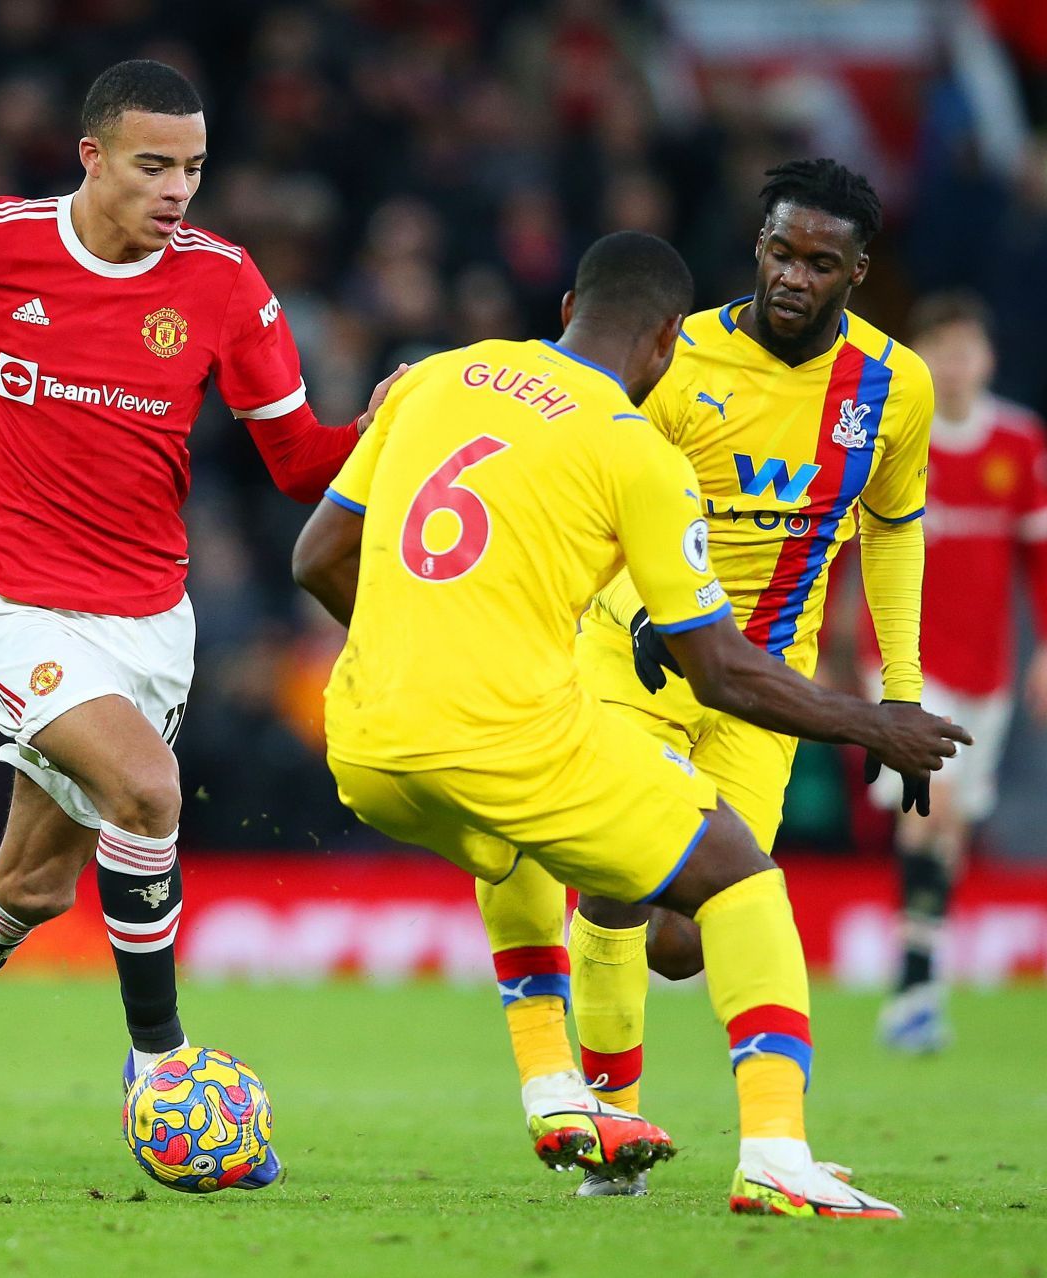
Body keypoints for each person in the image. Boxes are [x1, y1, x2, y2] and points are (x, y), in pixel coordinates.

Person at [0, 59, 401, 1189]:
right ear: (92, 157)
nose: (178, 189)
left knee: (30, 887)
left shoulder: (223, 284)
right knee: (149, 793)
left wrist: (382, 429)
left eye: (194, 167)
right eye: (153, 165)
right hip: (8, 598)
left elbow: (295, 463)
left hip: (149, 620)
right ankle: (161, 1071)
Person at [295, 229, 965, 1218]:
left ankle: (555, 1088)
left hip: (363, 743)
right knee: (735, 873)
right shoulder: (634, 448)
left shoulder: (439, 376)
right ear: (664, 347)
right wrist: (875, 725)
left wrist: (417, 651)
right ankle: (776, 1151)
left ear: (566, 307)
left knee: (519, 844)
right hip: (508, 735)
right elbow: (723, 670)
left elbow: (316, 557)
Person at [473, 159, 936, 1196]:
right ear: (756, 248)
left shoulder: (894, 388)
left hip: (767, 689)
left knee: (689, 936)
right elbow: (598, 486)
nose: (793, 277)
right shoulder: (676, 361)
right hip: (636, 660)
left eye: (821, 262)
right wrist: (643, 611)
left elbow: (894, 531)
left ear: (858, 273)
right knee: (617, 881)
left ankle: (658, 1114)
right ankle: (616, 1129)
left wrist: (897, 691)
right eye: (780, 251)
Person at [861, 292, 1047, 1051]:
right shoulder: (897, 435)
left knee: (954, 823)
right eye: (940, 351)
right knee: (929, 806)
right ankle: (913, 980)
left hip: (989, 667)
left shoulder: (1020, 440)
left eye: (966, 350)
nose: (955, 364)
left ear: (988, 358)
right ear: (921, 359)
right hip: (907, 662)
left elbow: (1038, 558)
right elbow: (854, 547)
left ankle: (921, 976)